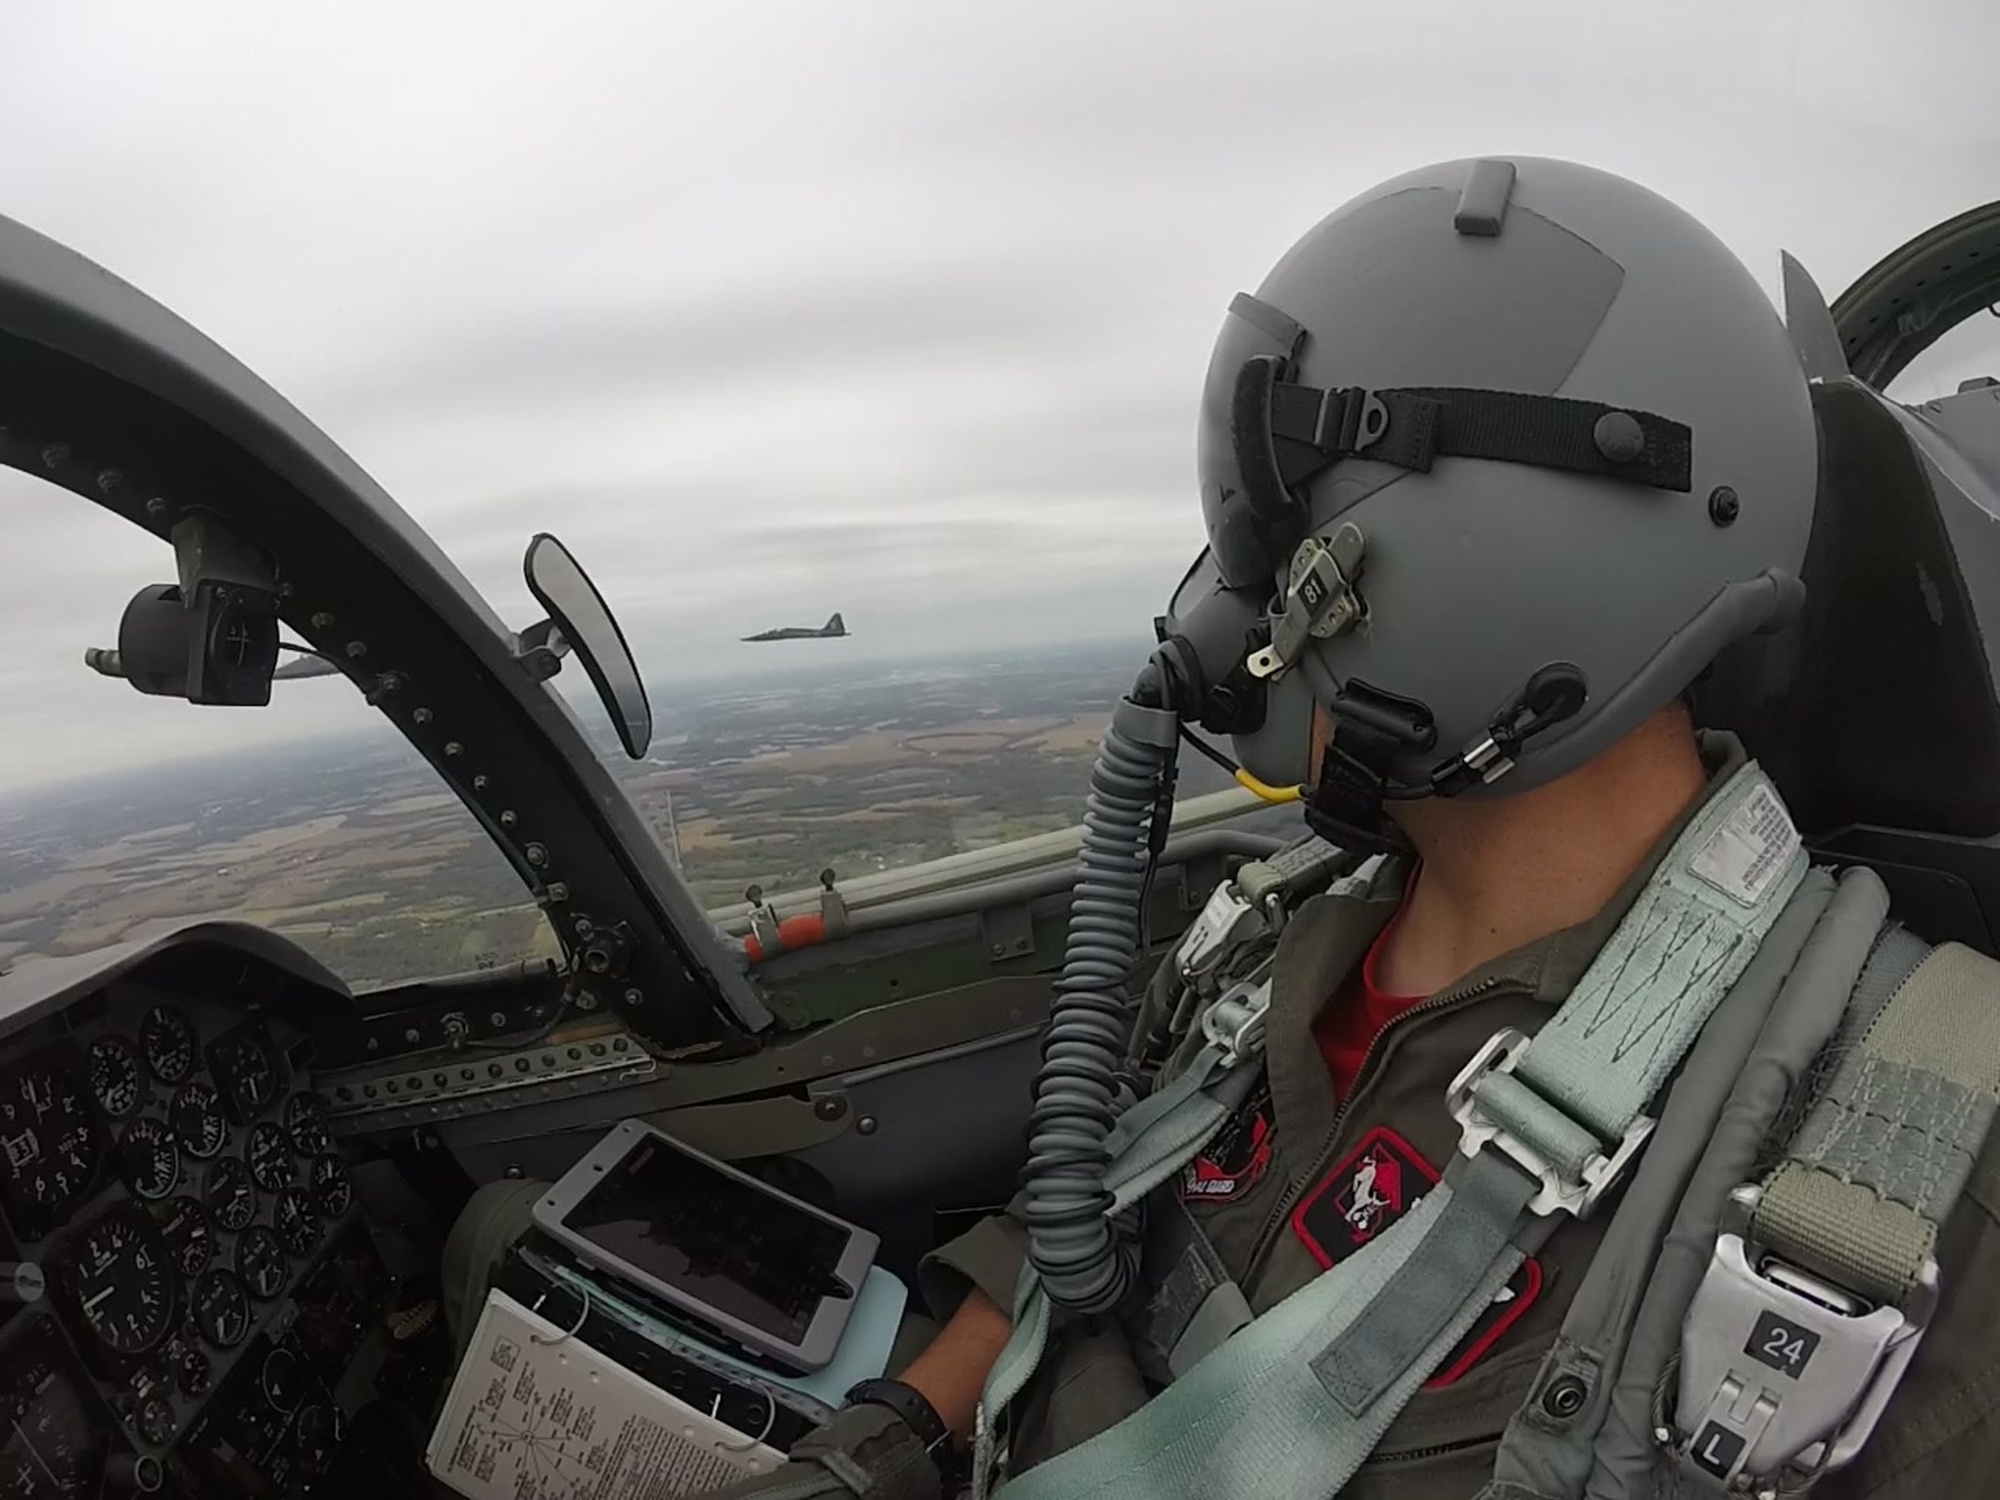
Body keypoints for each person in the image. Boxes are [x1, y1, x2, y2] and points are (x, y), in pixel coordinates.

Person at [711, 157, 2000, 1499]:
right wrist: (884, 1446)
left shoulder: (1906, 1186)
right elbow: (1069, 1234)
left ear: (1488, 556)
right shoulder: (1260, 932)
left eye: (1277, 535)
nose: (1235, 606)